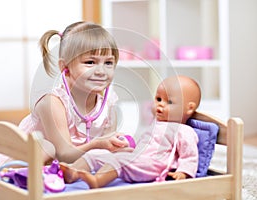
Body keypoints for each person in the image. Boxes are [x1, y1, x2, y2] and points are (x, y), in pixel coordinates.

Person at [17, 21, 132, 164]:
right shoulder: (53, 103)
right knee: (47, 149)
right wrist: (97, 144)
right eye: (90, 62)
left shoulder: (108, 107)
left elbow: (104, 151)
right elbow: (64, 154)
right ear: (65, 67)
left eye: (108, 63)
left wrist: (116, 148)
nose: (101, 71)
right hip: (30, 163)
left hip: (71, 167)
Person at [59, 75, 201, 188]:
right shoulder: (156, 124)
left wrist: (183, 173)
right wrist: (127, 147)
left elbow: (189, 156)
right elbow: (144, 145)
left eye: (169, 102)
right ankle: (72, 171)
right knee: (98, 154)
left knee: (120, 160)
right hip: (139, 158)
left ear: (189, 108)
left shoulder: (183, 130)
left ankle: (97, 180)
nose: (160, 105)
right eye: (158, 99)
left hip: (154, 165)